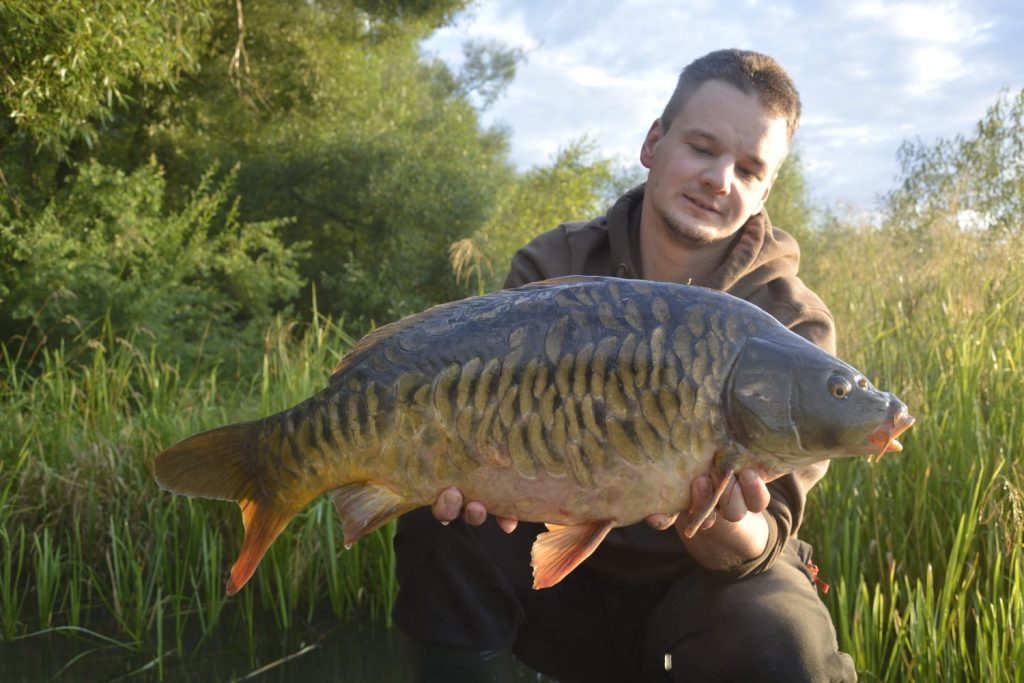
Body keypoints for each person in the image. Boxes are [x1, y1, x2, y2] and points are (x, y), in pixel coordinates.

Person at [392, 48, 858, 682]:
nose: (720, 179)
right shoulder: (555, 263)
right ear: (653, 143)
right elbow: (479, 420)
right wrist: (463, 469)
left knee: (783, 637)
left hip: (698, 589)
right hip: (557, 570)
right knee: (440, 527)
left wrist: (709, 515)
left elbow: (761, 542)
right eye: (702, 148)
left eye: (749, 169)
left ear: (764, 192)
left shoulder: (791, 325)